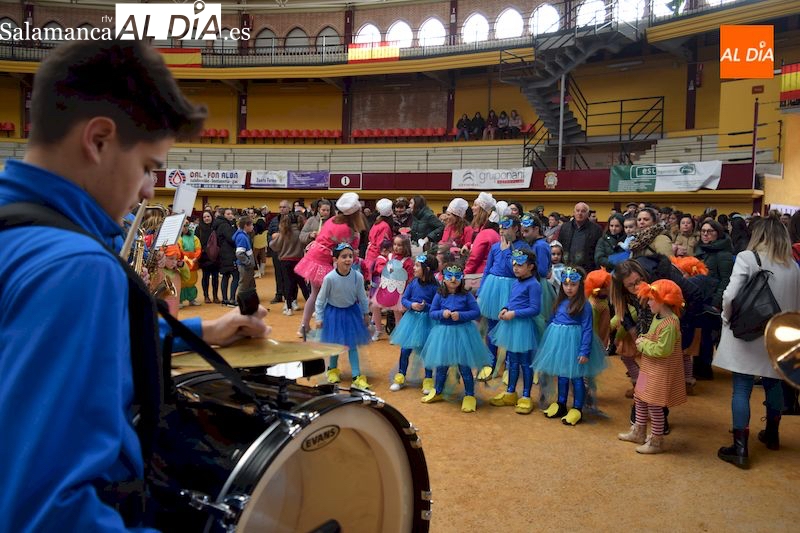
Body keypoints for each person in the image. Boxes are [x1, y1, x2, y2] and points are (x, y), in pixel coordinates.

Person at [0, 39, 269, 532]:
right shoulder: (74, 267)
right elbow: (44, 513)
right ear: (99, 139)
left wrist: (204, 329)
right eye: (147, 167)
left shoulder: (16, 234)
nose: (149, 189)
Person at [713, 217, 800, 468]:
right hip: (779, 335)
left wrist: (726, 318)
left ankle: (740, 447)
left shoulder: (748, 258)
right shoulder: (793, 266)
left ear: (758, 235)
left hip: (747, 331)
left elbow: (730, 295)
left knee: (742, 387)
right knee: (773, 383)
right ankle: (772, 434)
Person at [618, 279, 687, 454]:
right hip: (648, 369)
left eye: (651, 299)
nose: (647, 303)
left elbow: (663, 350)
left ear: (663, 301)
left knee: (654, 405)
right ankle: (639, 431)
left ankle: (656, 440)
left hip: (659, 371)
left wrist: (642, 344)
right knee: (639, 396)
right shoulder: (659, 317)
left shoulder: (670, 324)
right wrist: (646, 339)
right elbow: (653, 338)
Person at [533, 267, 607, 426]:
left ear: (580, 285)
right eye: (566, 285)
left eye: (573, 284)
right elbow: (551, 321)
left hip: (574, 344)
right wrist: (547, 343)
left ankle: (577, 408)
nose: (569, 288)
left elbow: (587, 329)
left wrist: (584, 351)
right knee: (562, 375)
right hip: (558, 343)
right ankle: (561, 404)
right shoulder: (559, 301)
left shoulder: (585, 305)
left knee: (576, 377)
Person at [419, 264, 490, 413]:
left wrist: (461, 315)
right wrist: (441, 314)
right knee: (441, 365)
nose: (453, 279)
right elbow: (432, 312)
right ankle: (438, 391)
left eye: (457, 276)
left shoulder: (466, 295)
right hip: (443, 334)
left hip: (463, 334)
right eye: (449, 276)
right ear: (443, 279)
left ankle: (470, 395)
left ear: (461, 278)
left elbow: (476, 312)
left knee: (464, 367)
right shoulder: (439, 295)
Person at [296, 192, 366, 337]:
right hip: (324, 261)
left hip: (314, 257)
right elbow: (346, 251)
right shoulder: (348, 229)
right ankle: (330, 329)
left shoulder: (333, 220)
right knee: (330, 297)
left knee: (315, 295)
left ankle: (304, 326)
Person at [488, 249, 542, 414]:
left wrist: (515, 313)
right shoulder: (516, 282)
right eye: (514, 264)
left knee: (525, 362)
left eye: (520, 265)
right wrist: (505, 308)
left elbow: (535, 309)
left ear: (530, 267)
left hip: (523, 328)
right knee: (511, 361)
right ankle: (511, 392)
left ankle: (526, 395)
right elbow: (512, 301)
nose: (515, 268)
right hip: (511, 327)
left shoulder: (534, 285)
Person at [476, 215, 529, 381]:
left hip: (510, 289)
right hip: (492, 289)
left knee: (509, 328)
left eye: (506, 227)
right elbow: (488, 269)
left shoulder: (522, 247)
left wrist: (507, 252)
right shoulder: (494, 247)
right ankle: (490, 363)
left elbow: (513, 269)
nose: (502, 230)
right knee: (491, 327)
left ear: (515, 228)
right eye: (500, 227)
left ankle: (507, 365)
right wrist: (482, 290)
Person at [315, 243, 372, 390]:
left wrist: (366, 314)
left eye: (350, 256)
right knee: (335, 344)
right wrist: (319, 318)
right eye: (344, 256)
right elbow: (320, 300)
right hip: (334, 314)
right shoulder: (330, 278)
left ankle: (356, 376)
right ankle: (332, 370)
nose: (348, 260)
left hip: (351, 313)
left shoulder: (357, 277)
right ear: (335, 259)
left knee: (352, 345)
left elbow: (362, 297)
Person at [389, 254, 439, 392]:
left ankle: (428, 380)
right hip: (411, 320)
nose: (414, 268)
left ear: (426, 269)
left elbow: (438, 304)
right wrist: (412, 305)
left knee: (427, 351)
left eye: (417, 265)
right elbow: (404, 299)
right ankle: (400, 377)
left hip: (428, 322)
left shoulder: (436, 287)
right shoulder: (413, 283)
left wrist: (426, 306)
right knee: (405, 350)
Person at [693, 218, 734, 379]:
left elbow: (726, 280)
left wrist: (717, 303)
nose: (705, 234)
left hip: (712, 300)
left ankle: (704, 369)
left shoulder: (723, 254)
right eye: (703, 231)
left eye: (710, 231)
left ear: (718, 233)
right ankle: (699, 367)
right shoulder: (701, 250)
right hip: (700, 297)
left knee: (706, 336)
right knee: (700, 334)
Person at [371, 235, 414, 341]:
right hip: (385, 288)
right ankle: (378, 329)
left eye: (399, 245)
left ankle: (398, 335)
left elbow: (409, 279)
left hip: (398, 291)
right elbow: (386, 270)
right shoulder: (390, 257)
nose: (396, 247)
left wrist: (405, 293)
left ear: (406, 247)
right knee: (374, 306)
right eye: (394, 244)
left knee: (397, 312)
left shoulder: (408, 261)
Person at [269, 209, 309, 316]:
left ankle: (288, 307)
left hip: (285, 261)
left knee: (288, 283)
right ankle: (311, 306)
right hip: (299, 260)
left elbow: (274, 245)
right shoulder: (301, 233)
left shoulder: (284, 233)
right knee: (302, 284)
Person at [463, 192, 500, 292]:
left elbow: (475, 258)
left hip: (478, 276)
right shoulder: (488, 229)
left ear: (482, 210)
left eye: (475, 205)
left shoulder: (485, 232)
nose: (472, 207)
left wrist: (463, 274)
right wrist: (468, 245)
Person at [557, 202, 603, 271]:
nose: (580, 213)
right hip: (566, 266)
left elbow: (598, 250)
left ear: (588, 214)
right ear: (574, 212)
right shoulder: (565, 227)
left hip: (587, 268)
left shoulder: (596, 229)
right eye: (577, 211)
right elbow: (559, 246)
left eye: (583, 211)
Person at [195, 210, 220, 303]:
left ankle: (215, 296)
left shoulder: (216, 227)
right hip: (204, 256)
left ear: (212, 217)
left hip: (215, 256)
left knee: (215, 277)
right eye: (204, 217)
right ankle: (206, 296)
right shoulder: (199, 228)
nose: (206, 218)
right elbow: (196, 241)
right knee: (205, 277)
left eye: (208, 216)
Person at [216, 208, 239, 307]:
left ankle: (225, 299)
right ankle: (232, 299)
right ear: (224, 215)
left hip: (223, 253)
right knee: (236, 276)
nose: (230, 215)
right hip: (229, 253)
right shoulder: (225, 225)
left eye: (231, 214)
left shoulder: (220, 224)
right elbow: (232, 238)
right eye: (228, 214)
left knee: (225, 276)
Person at [177, 219, 202, 307]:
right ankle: (179, 300)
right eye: (183, 226)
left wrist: (195, 258)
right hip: (182, 264)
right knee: (181, 282)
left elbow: (198, 250)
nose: (185, 228)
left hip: (192, 264)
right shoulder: (177, 238)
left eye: (186, 225)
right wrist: (185, 258)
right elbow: (178, 251)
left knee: (192, 281)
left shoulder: (194, 238)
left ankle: (192, 299)